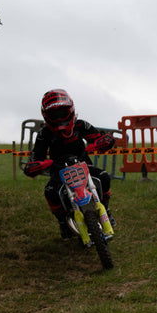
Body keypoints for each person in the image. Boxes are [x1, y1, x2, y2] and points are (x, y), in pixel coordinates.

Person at [23, 89, 116, 239]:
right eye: (55, 115)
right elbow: (36, 157)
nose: (59, 119)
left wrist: (105, 141)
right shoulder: (44, 134)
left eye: (62, 113)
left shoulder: (81, 126)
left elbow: (99, 137)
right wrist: (34, 166)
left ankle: (106, 209)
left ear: (71, 110)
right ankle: (62, 222)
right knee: (50, 192)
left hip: (84, 166)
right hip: (59, 171)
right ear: (47, 116)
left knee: (104, 178)